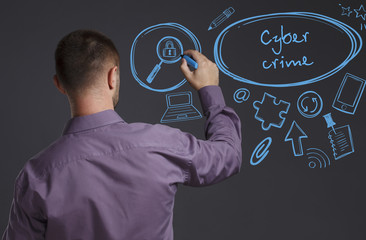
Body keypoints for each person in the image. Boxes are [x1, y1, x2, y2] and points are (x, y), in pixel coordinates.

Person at [2, 30, 242, 240]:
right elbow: (228, 155)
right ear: (112, 76)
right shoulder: (162, 144)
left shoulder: (36, 176)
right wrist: (209, 89)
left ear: (59, 84)